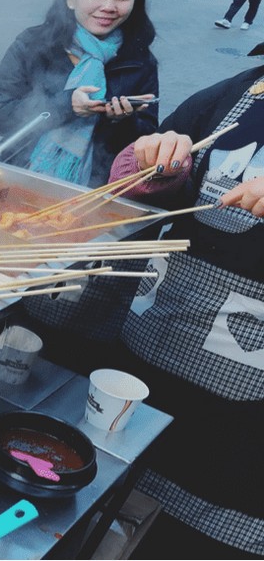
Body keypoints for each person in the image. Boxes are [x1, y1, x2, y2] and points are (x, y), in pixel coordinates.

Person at [104, 43, 264, 559]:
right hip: (153, 350)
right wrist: (155, 165)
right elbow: (141, 189)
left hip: (243, 420)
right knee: (110, 503)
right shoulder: (242, 90)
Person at [0, 0, 158, 187]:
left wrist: (122, 121)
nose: (109, 6)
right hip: (16, 177)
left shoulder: (139, 61)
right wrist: (66, 105)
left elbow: (145, 145)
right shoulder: (34, 45)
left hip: (93, 191)